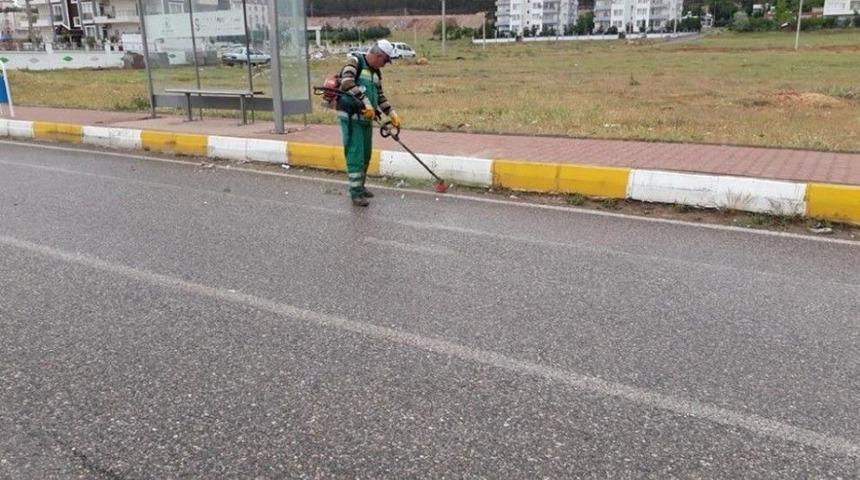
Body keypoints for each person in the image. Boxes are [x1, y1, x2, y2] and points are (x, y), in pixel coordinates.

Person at [337, 39, 401, 207]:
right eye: (385, 61)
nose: (385, 65)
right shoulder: (355, 61)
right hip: (351, 118)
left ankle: (361, 187)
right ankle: (356, 193)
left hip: (367, 118)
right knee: (356, 155)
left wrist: (391, 112)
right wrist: (365, 101)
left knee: (366, 155)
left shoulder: (376, 73)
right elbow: (346, 82)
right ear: (378, 55)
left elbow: (379, 96)